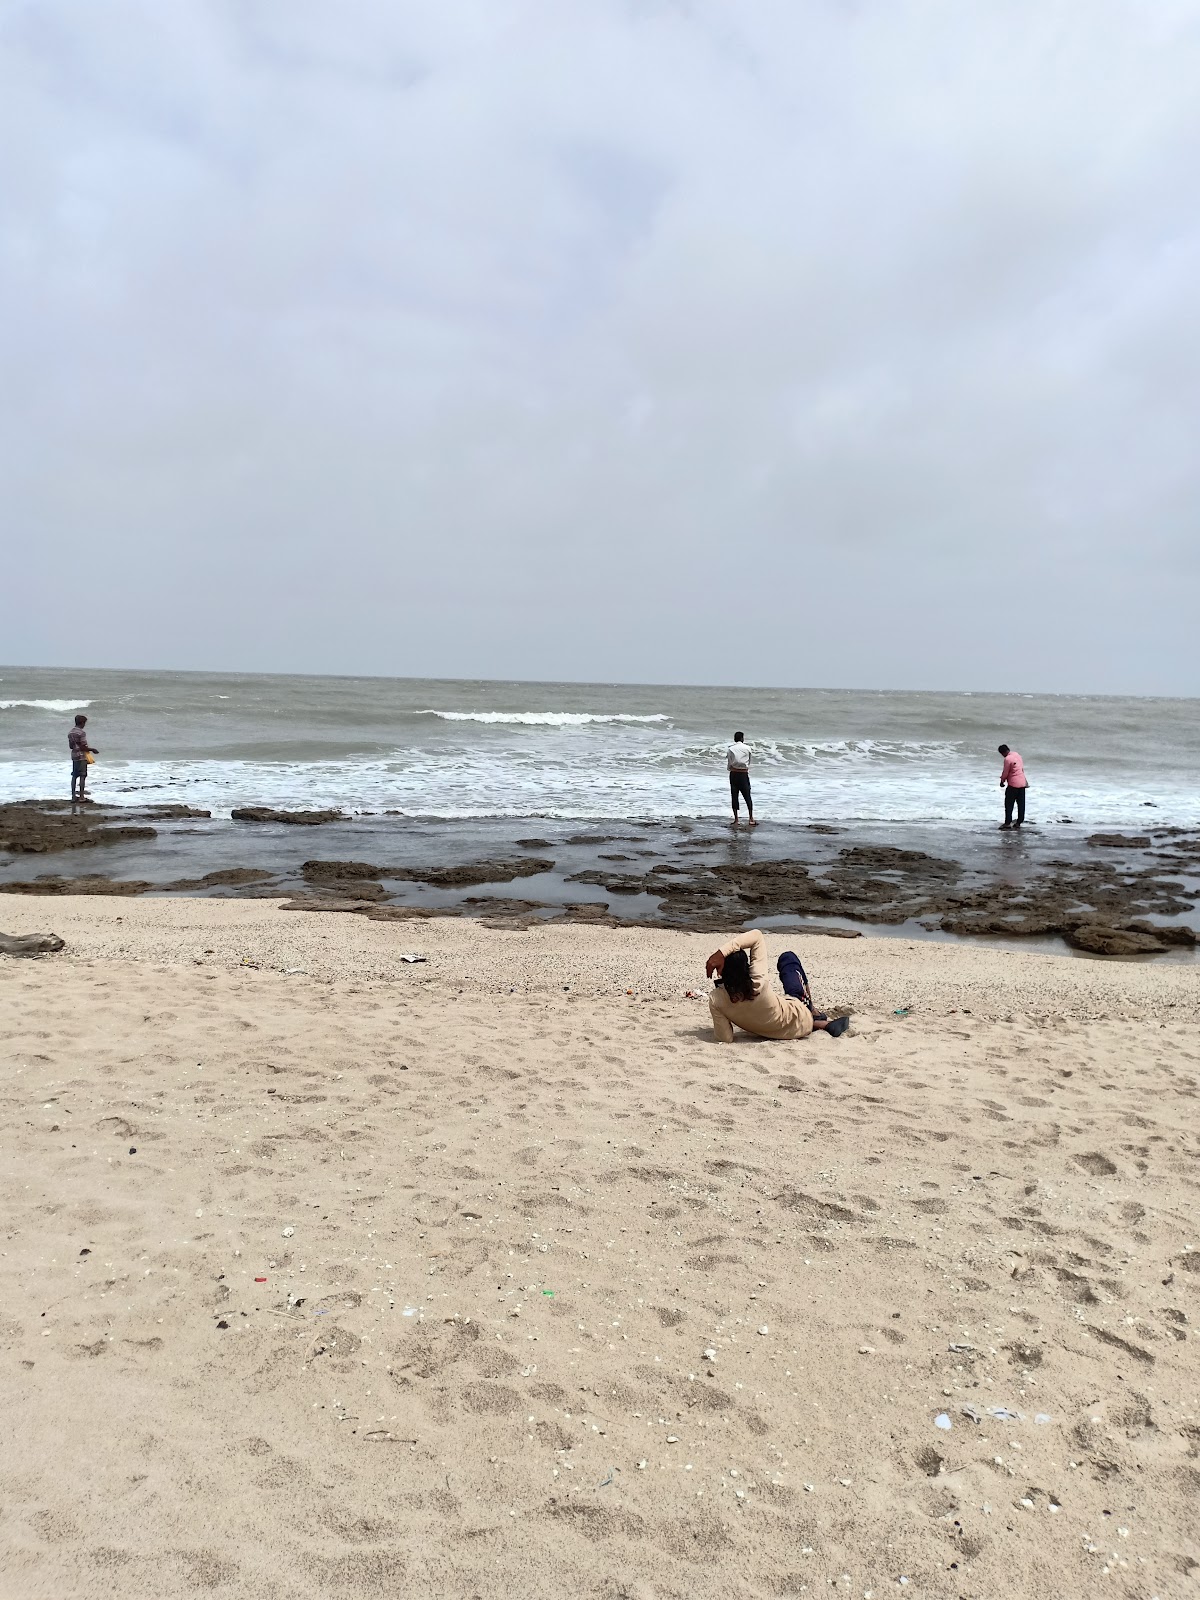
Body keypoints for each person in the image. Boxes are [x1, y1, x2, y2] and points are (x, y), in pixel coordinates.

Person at [705, 929, 849, 1043]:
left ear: (722, 972)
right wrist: (721, 952)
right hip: (801, 1016)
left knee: (775, 1008)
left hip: (779, 1030)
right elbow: (757, 936)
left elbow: (726, 1038)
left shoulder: (716, 999)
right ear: (746, 967)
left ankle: (821, 1023)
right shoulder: (757, 980)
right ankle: (813, 1011)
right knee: (788, 958)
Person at [727, 731, 755, 826]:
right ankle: (751, 818)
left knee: (734, 796)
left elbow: (729, 763)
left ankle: (736, 819)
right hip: (743, 774)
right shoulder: (748, 748)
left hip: (734, 773)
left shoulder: (731, 749)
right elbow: (749, 761)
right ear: (742, 738)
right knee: (747, 796)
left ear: (735, 739)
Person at [997, 743, 1028, 829]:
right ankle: (1019, 822)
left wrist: (1002, 780)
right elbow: (1021, 769)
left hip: (1013, 785)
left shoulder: (1008, 759)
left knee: (1009, 804)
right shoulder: (1017, 755)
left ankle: (1007, 823)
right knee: (1021, 804)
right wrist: (1025, 781)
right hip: (1022, 783)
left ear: (1002, 753)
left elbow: (1005, 772)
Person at [69, 713, 97, 802]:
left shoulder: (71, 732)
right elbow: (83, 747)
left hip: (74, 755)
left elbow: (71, 746)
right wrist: (92, 749)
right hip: (81, 756)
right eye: (84, 723)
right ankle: (81, 797)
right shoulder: (81, 733)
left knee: (74, 775)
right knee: (82, 775)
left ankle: (73, 796)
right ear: (82, 723)